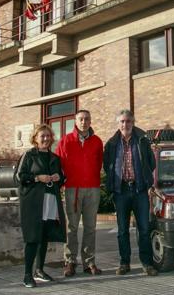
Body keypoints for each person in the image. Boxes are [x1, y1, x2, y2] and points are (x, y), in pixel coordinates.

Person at [103, 109, 157, 276]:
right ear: (118, 124)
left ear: (133, 122)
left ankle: (147, 263)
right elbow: (107, 166)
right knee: (122, 230)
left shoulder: (142, 140)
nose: (125, 124)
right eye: (122, 122)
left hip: (140, 190)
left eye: (128, 121)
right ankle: (124, 263)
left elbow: (151, 163)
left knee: (144, 229)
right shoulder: (111, 144)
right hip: (121, 191)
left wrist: (147, 182)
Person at [16, 124, 66, 288]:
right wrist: (38, 178)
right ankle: (27, 275)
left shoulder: (54, 157)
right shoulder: (28, 155)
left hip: (50, 201)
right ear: (35, 138)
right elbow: (18, 177)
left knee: (44, 236)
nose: (46, 139)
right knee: (32, 238)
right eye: (42, 136)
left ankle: (39, 270)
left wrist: (59, 177)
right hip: (33, 203)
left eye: (48, 136)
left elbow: (61, 179)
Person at [55, 110, 104, 277]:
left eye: (87, 119)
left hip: (93, 189)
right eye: (81, 119)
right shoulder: (65, 141)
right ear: (75, 121)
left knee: (90, 227)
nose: (84, 122)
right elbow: (58, 165)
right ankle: (70, 262)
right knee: (72, 227)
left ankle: (89, 262)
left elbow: (98, 164)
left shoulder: (97, 142)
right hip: (72, 189)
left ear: (90, 121)